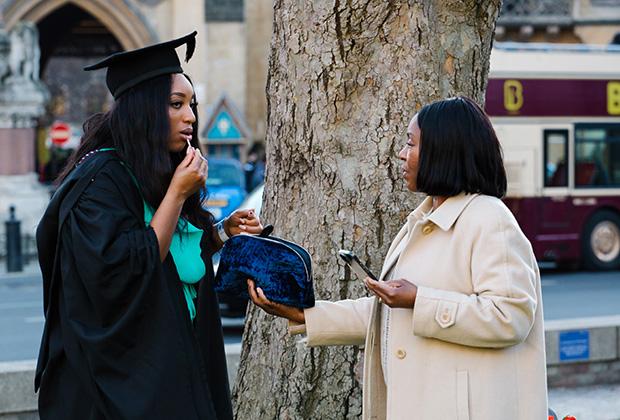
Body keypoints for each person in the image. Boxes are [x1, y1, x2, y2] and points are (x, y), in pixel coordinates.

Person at [248, 97, 547, 420]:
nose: (403, 154)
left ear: (442, 150)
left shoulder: (489, 219)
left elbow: (510, 316)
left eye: (411, 143)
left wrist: (419, 300)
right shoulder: (422, 220)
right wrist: (306, 314)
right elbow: (389, 313)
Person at [35, 31, 261, 419]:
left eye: (192, 103)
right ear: (144, 111)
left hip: (178, 370)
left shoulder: (156, 171)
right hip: (118, 390)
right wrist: (176, 193)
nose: (190, 117)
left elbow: (175, 254)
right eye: (176, 104)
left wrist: (221, 232)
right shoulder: (100, 181)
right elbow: (124, 271)